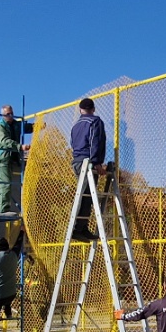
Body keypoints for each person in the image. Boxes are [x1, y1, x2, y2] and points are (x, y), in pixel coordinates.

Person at [69, 98, 108, 242]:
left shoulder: (75, 126)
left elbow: (73, 144)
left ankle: (82, 227)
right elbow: (95, 142)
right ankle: (77, 228)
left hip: (77, 161)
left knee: (86, 195)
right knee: (86, 196)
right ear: (93, 109)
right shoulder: (95, 122)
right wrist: (96, 162)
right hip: (88, 162)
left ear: (80, 110)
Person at [0, 105, 27, 216]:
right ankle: (3, 209)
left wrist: (36, 126)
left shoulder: (15, 124)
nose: (10, 116)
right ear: (3, 115)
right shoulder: (0, 127)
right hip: (2, 158)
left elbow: (24, 127)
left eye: (11, 113)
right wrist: (19, 146)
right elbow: (4, 141)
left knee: (5, 184)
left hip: (10, 158)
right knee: (5, 184)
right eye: (8, 114)